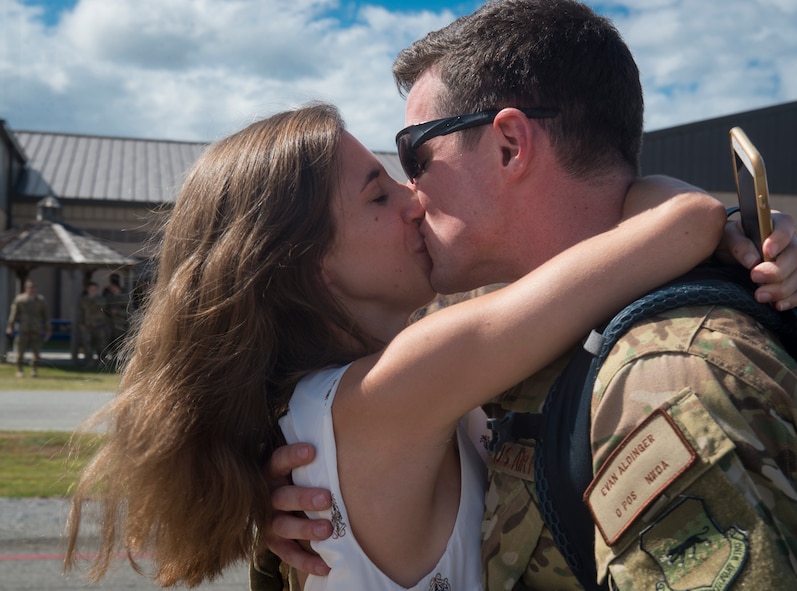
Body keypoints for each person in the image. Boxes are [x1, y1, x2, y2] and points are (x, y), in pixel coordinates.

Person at [260, 1, 797, 589]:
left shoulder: (664, 382)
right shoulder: (513, 329)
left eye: (416, 156)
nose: (411, 195)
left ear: (510, 146)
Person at [64, 103, 736, 589]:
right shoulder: (400, 385)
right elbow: (684, 222)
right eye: (378, 194)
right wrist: (739, 222)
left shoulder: (333, 409)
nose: (415, 199)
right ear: (309, 264)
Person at [5, 279, 51, 378]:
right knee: (20, 351)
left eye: (33, 287)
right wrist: (10, 326)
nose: (31, 289)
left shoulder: (40, 300)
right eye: (29, 287)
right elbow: (14, 314)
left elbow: (46, 316)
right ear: (26, 288)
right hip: (23, 328)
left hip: (36, 329)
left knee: (36, 352)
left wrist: (48, 329)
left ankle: (34, 370)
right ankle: (19, 370)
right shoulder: (20, 299)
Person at [77, 282, 107, 367]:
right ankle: (90, 361)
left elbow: (102, 307)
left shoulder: (101, 300)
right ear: (88, 290)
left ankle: (101, 362)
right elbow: (80, 313)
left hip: (99, 325)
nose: (93, 291)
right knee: (87, 344)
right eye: (91, 289)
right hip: (87, 326)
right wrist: (81, 324)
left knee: (101, 345)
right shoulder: (83, 300)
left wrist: (93, 299)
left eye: (95, 290)